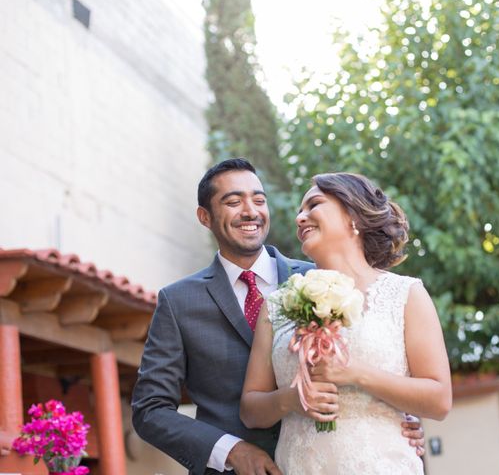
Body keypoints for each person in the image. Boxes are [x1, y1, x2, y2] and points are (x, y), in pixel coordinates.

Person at [131, 159, 425, 475]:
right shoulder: (178, 302)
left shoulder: (324, 278)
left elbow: (378, 352)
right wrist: (231, 450)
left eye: (259, 200)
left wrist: (398, 418)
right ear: (205, 217)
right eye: (233, 201)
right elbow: (150, 410)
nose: (250, 211)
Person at [240, 172, 452, 474]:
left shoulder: (406, 295)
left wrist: (354, 373)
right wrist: (291, 399)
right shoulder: (277, 306)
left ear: (353, 215)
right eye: (299, 212)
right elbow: (250, 409)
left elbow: (439, 399)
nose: (301, 218)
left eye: (313, 204)